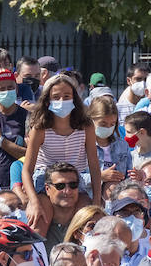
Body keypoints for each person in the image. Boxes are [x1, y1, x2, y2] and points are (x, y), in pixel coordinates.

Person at [21, 75, 102, 234]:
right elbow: (26, 170)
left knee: (87, 223)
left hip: (75, 182)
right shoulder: (40, 128)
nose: (61, 100)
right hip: (46, 182)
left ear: (74, 98)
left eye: (66, 96)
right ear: (47, 100)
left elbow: (94, 165)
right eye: (56, 97)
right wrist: (34, 201)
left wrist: (97, 201)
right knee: (38, 221)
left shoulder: (86, 126)